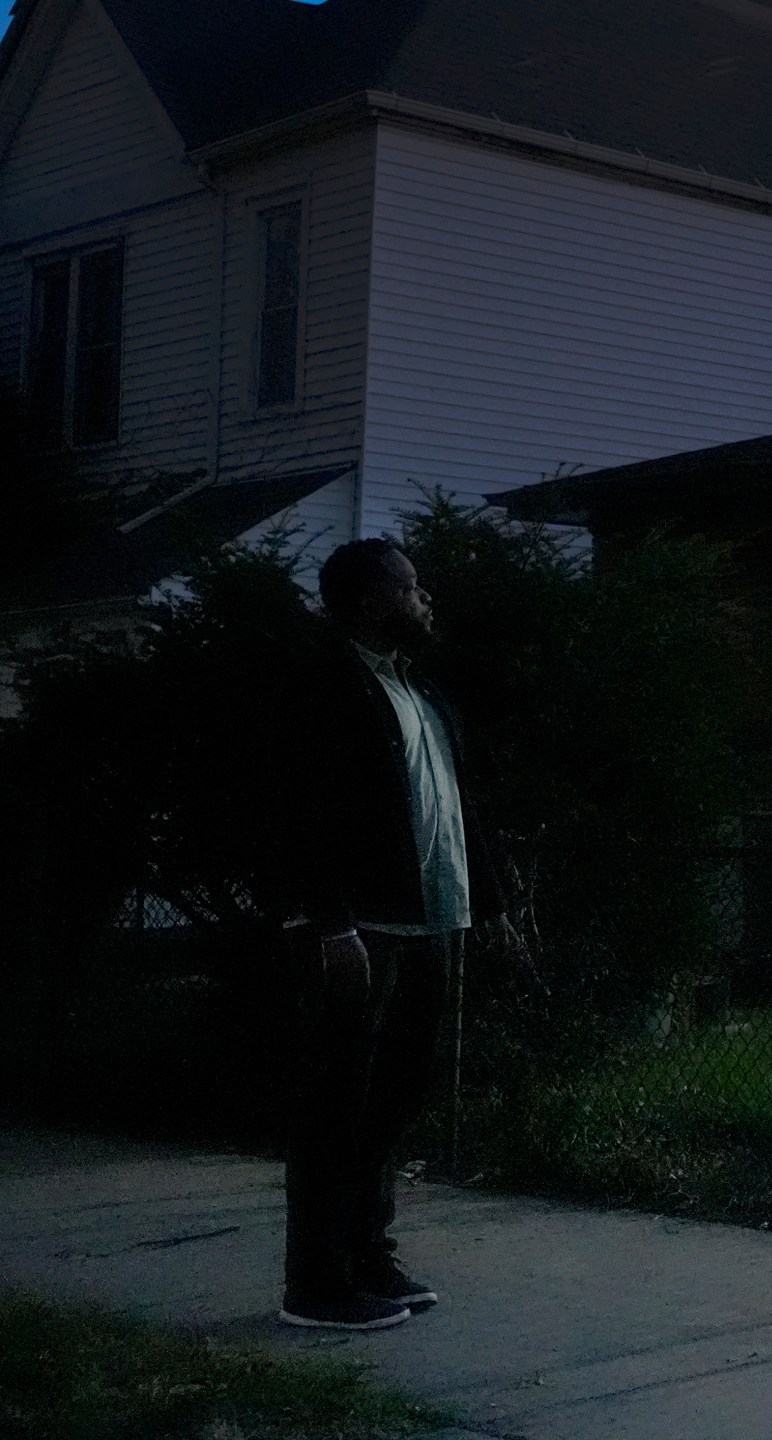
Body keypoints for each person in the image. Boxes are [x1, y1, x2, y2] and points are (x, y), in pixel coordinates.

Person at [270, 539, 485, 1332]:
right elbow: (297, 811)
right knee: (336, 1105)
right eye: (412, 587)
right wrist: (331, 923)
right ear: (368, 600)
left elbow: (451, 805)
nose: (425, 598)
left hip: (426, 921)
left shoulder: (415, 689)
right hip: (356, 932)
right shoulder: (324, 686)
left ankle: (369, 1258)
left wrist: (489, 903)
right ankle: (314, 1285)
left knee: (391, 1102)